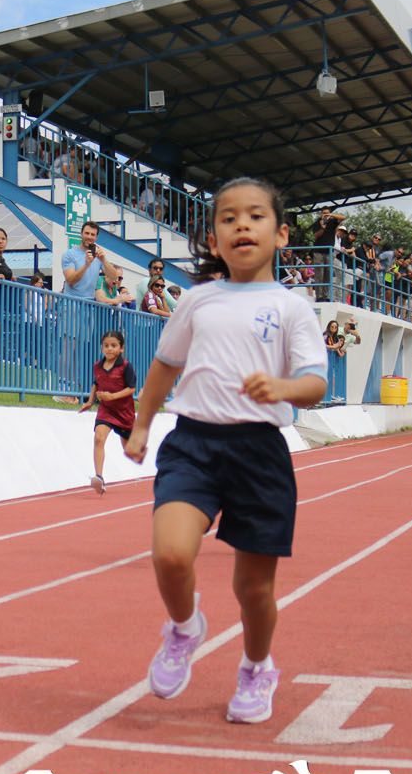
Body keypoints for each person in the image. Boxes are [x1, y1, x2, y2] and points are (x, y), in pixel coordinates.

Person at [124, 177, 327, 724]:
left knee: (253, 587)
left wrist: (282, 388)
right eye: (228, 218)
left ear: (281, 234)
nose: (242, 225)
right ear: (214, 239)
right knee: (169, 553)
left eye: (256, 216)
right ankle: (185, 628)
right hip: (193, 442)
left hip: (259, 452)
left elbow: (314, 382)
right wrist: (142, 428)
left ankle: (257, 667)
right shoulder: (197, 300)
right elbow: (165, 366)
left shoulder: (292, 307)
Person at [79, 329, 136, 494]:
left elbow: (131, 389)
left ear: (121, 349)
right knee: (99, 438)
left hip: (124, 412)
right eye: (106, 345)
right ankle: (99, 477)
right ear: (101, 347)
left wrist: (113, 396)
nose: (109, 349)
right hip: (106, 410)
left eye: (113, 345)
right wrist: (90, 402)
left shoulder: (126, 367)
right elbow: (96, 383)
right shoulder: (98, 365)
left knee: (128, 449)